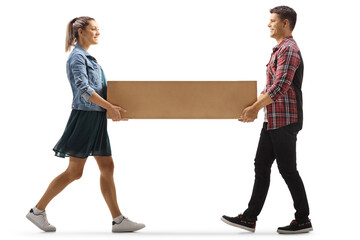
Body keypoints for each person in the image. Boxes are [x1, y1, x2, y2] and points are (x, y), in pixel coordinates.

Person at [26, 16, 145, 233]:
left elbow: (101, 89)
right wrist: (109, 107)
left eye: (98, 29)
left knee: (107, 167)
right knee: (74, 172)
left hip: (96, 117)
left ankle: (118, 220)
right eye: (94, 29)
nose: (97, 32)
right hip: (85, 118)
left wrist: (116, 107)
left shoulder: (89, 58)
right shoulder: (77, 58)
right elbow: (83, 88)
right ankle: (37, 211)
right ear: (81, 31)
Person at [221, 6, 312, 234]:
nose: (268, 24)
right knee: (261, 166)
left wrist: (254, 109)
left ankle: (303, 219)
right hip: (272, 120)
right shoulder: (278, 50)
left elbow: (280, 87)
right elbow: (270, 87)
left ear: (285, 23)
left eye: (273, 21)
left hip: (285, 120)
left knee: (288, 170)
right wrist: (251, 108)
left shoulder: (289, 50)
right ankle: (250, 217)